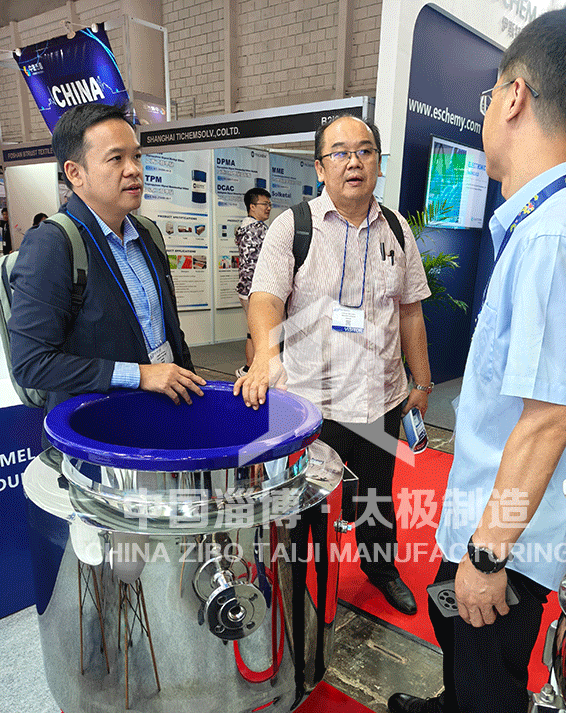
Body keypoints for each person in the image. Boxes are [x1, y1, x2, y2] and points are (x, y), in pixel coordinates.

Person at [389, 6, 566, 713]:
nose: (487, 110)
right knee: (453, 620)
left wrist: (489, 555)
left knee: (491, 653)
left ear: (514, 97)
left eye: (490, 95)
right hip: (489, 501)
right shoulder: (554, 221)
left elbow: (549, 418)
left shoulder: (552, 242)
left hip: (511, 527)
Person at [233, 114, 432, 616]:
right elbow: (265, 298)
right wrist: (266, 357)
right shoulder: (293, 226)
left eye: (364, 151)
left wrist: (423, 381)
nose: (353, 162)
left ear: (378, 163)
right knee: (307, 505)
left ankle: (381, 570)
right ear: (321, 167)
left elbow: (410, 311)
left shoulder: (397, 230)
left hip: (380, 397)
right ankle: (301, 582)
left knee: (377, 498)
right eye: (340, 152)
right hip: (313, 404)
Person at [9, 102, 205, 420]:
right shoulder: (53, 244)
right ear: (75, 173)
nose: (133, 169)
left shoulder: (148, 234)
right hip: (96, 428)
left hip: (160, 419)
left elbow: (171, 333)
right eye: (116, 158)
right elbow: (31, 363)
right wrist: (139, 375)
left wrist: (193, 398)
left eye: (136, 156)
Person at [234, 187, 272, 378]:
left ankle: (249, 368)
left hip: (245, 288)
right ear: (252, 206)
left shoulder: (243, 228)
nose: (268, 208)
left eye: (269, 204)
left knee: (252, 330)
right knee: (261, 332)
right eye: (264, 204)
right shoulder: (259, 229)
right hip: (257, 289)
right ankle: (253, 370)